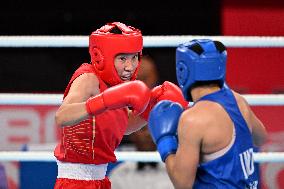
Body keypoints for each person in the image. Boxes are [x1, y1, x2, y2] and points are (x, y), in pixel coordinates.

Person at [53, 22, 187, 189]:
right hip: (75, 182)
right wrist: (104, 101)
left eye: (134, 57)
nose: (129, 67)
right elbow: (62, 116)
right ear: (101, 57)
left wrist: (149, 110)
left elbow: (123, 127)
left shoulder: (115, 84)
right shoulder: (88, 78)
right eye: (122, 58)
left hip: (99, 180)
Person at [148, 39, 268, 189]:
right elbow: (261, 138)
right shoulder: (238, 100)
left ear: (182, 70)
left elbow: (182, 183)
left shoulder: (193, 119)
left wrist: (165, 142)